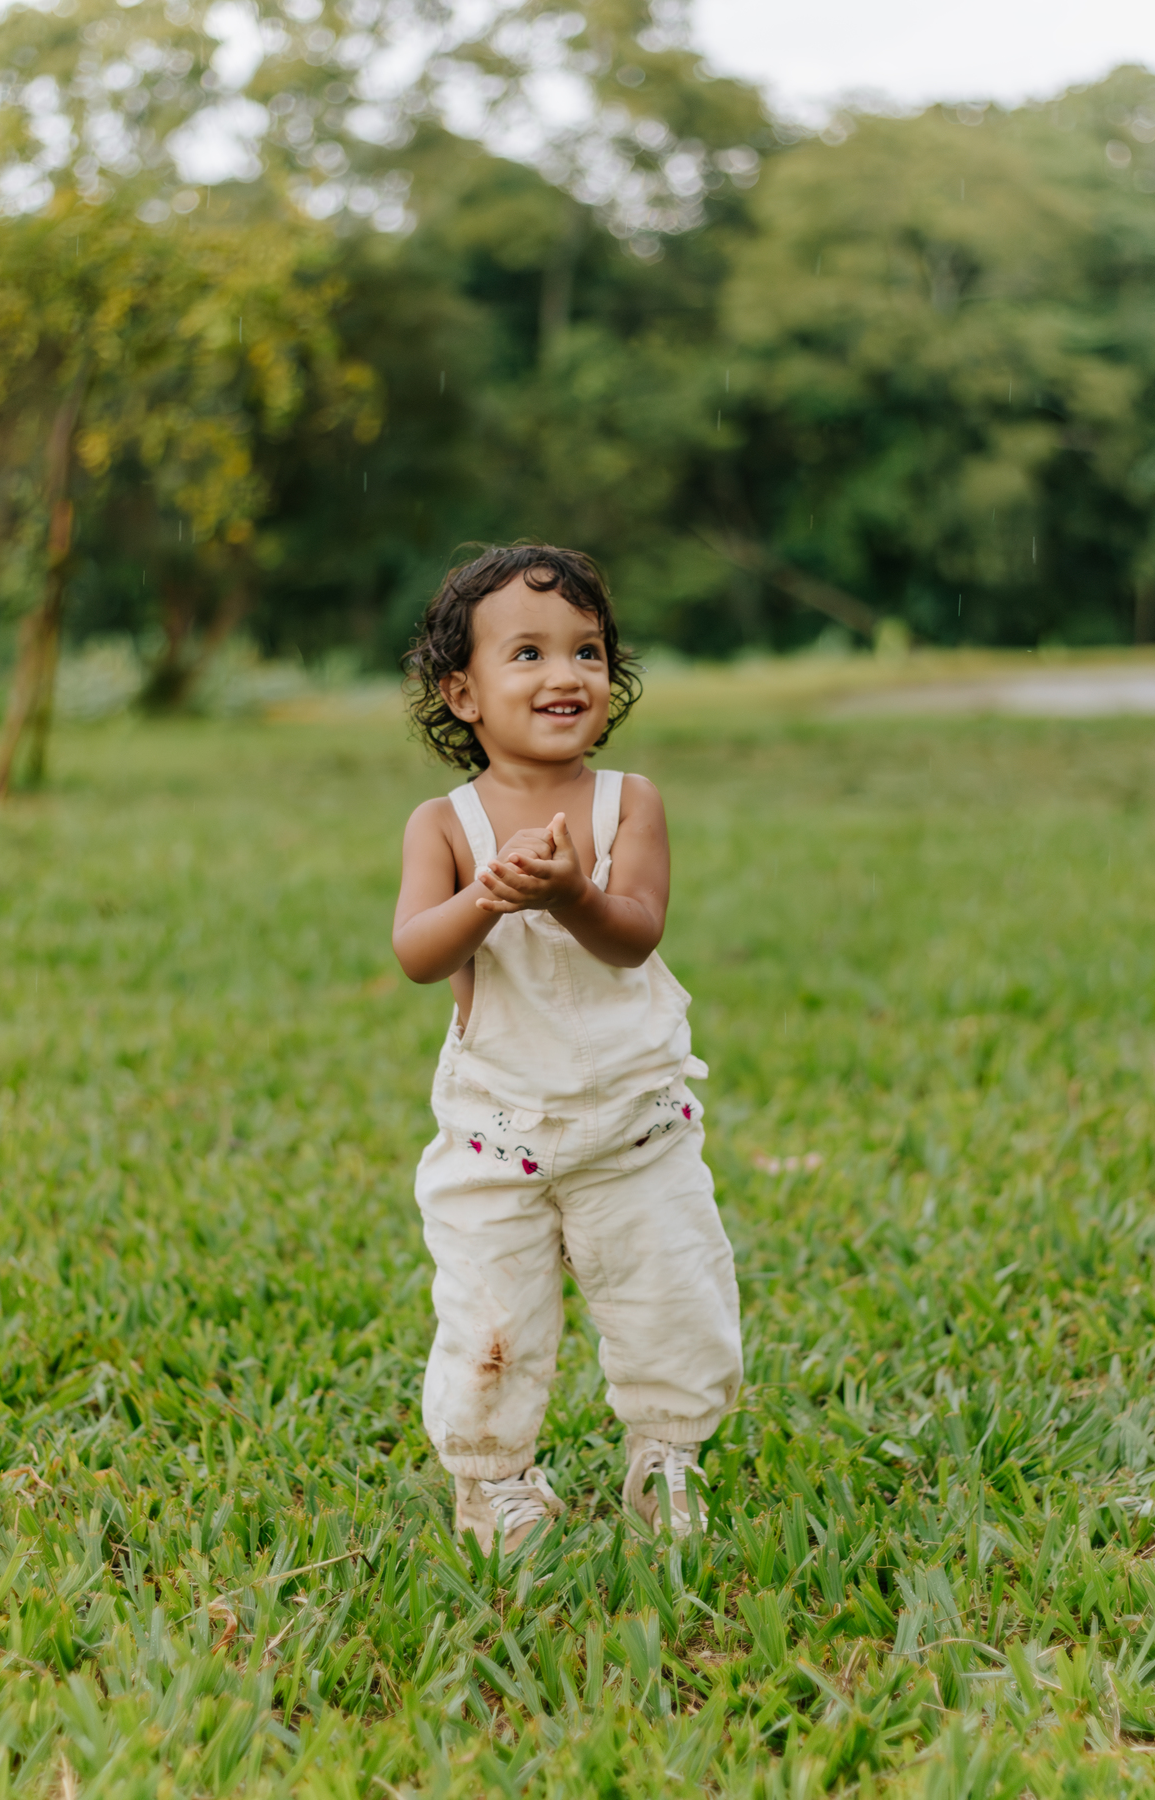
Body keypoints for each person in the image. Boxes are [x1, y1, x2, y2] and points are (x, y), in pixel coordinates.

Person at [392, 544, 743, 1553]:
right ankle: (494, 1485)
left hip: (634, 1127)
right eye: (529, 653)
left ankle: (665, 1457)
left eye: (587, 651)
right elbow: (417, 953)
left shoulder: (628, 802)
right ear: (462, 694)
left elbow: (634, 935)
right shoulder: (444, 825)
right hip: (498, 1134)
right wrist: (487, 896)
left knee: (672, 1297)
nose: (567, 674)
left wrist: (570, 892)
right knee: (491, 1322)